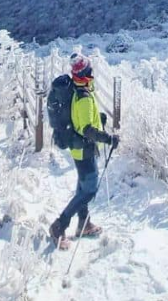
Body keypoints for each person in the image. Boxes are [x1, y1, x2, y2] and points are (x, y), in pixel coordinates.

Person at [49, 53, 119, 249]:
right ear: (87, 74)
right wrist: (109, 139)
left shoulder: (77, 91)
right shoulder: (84, 98)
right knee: (88, 191)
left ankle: (84, 224)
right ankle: (59, 225)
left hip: (79, 148)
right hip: (84, 150)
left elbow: (82, 120)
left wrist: (98, 119)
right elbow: (86, 129)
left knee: (82, 186)